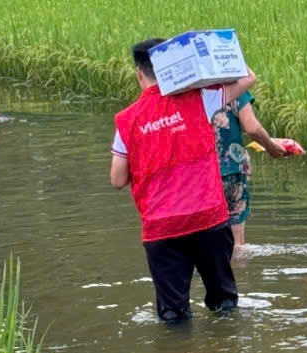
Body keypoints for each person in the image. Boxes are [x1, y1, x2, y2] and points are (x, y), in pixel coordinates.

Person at [110, 37, 255, 322]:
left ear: (139, 73)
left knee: (173, 315)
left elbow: (117, 179)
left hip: (162, 228)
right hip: (209, 220)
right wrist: (209, 48)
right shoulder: (202, 99)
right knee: (224, 304)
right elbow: (249, 76)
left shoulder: (127, 120)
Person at [212, 91, 292, 247]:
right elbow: (252, 128)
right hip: (232, 172)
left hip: (198, 173)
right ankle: (239, 270)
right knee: (236, 243)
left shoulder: (187, 87)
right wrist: (271, 147)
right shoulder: (234, 85)